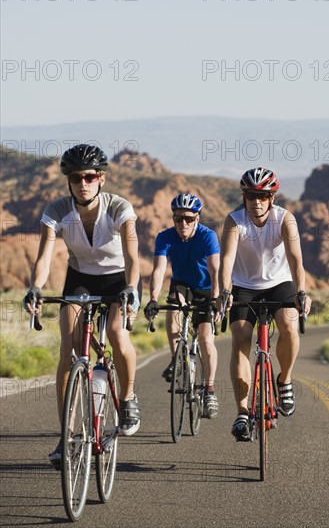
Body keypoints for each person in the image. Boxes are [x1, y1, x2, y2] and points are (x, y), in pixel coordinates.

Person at [23, 144, 142, 466]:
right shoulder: (58, 210)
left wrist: (131, 288)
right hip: (81, 279)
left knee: (117, 334)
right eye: (76, 178)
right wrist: (35, 287)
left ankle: (128, 397)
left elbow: (133, 256)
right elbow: (45, 256)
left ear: (101, 178)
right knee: (69, 349)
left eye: (90, 176)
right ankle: (66, 435)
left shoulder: (119, 207)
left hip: (120, 279)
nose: (83, 183)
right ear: (69, 181)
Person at [218, 167, 311, 440]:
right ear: (244, 197)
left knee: (289, 326)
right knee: (240, 338)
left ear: (271, 197)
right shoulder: (235, 221)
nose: (256, 202)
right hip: (244, 286)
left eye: (262, 196)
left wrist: (301, 291)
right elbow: (226, 261)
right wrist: (225, 291)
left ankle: (285, 381)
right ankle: (242, 413)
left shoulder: (285, 219)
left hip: (279, 283)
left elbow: (295, 259)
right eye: (250, 196)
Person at [144, 193, 220, 419]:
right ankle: (176, 357)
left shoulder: (208, 236)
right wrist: (153, 298)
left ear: (197, 218)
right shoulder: (165, 237)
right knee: (174, 305)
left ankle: (209, 390)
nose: (183, 223)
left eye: (188, 218)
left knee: (206, 339)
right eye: (178, 219)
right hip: (182, 285)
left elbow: (215, 270)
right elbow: (158, 270)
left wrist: (216, 299)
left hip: (206, 288)